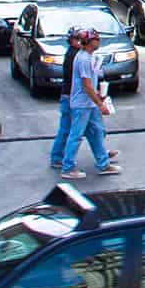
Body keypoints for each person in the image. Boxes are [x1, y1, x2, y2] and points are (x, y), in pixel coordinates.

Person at [53, 28, 119, 177]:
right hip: (82, 104)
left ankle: (103, 164)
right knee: (75, 135)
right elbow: (87, 85)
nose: (99, 41)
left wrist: (97, 99)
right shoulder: (83, 59)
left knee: (95, 133)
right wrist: (100, 104)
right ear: (89, 42)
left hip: (88, 103)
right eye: (96, 39)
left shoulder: (87, 57)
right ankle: (68, 167)